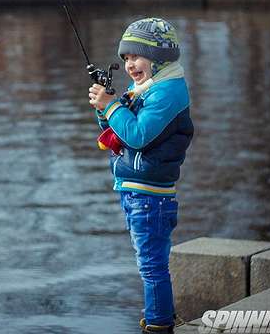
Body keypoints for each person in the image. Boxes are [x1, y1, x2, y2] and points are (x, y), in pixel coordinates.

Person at [88, 17, 194, 333]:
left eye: (136, 56)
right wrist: (103, 106)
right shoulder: (144, 89)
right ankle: (160, 316)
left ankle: (160, 324)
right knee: (148, 263)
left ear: (160, 58)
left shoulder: (168, 92)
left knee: (151, 266)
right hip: (136, 190)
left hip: (150, 196)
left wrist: (111, 107)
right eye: (126, 59)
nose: (130, 64)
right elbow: (115, 133)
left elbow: (138, 135)